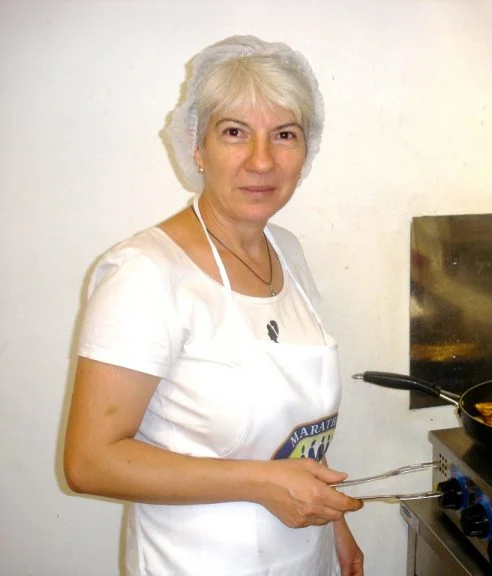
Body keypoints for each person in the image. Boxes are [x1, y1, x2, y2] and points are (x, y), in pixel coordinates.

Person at [63, 35, 364, 576]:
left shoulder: (287, 252)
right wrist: (262, 483)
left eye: (284, 135)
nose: (261, 161)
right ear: (196, 146)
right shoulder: (146, 273)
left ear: (306, 150)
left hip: (302, 555)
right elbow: (89, 461)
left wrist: (332, 519)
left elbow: (292, 426)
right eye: (234, 132)